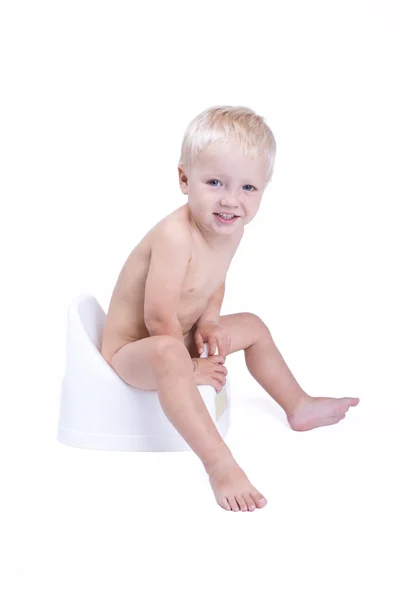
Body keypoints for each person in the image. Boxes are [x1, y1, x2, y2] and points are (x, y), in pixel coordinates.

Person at [100, 105, 360, 513]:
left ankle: (298, 404)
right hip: (135, 350)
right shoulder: (175, 235)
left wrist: (209, 323)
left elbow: (213, 281)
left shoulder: (228, 227)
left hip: (175, 333)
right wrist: (188, 366)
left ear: (264, 188)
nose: (230, 200)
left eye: (247, 188)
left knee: (253, 326)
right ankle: (220, 465)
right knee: (169, 351)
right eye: (215, 182)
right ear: (185, 179)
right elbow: (157, 317)